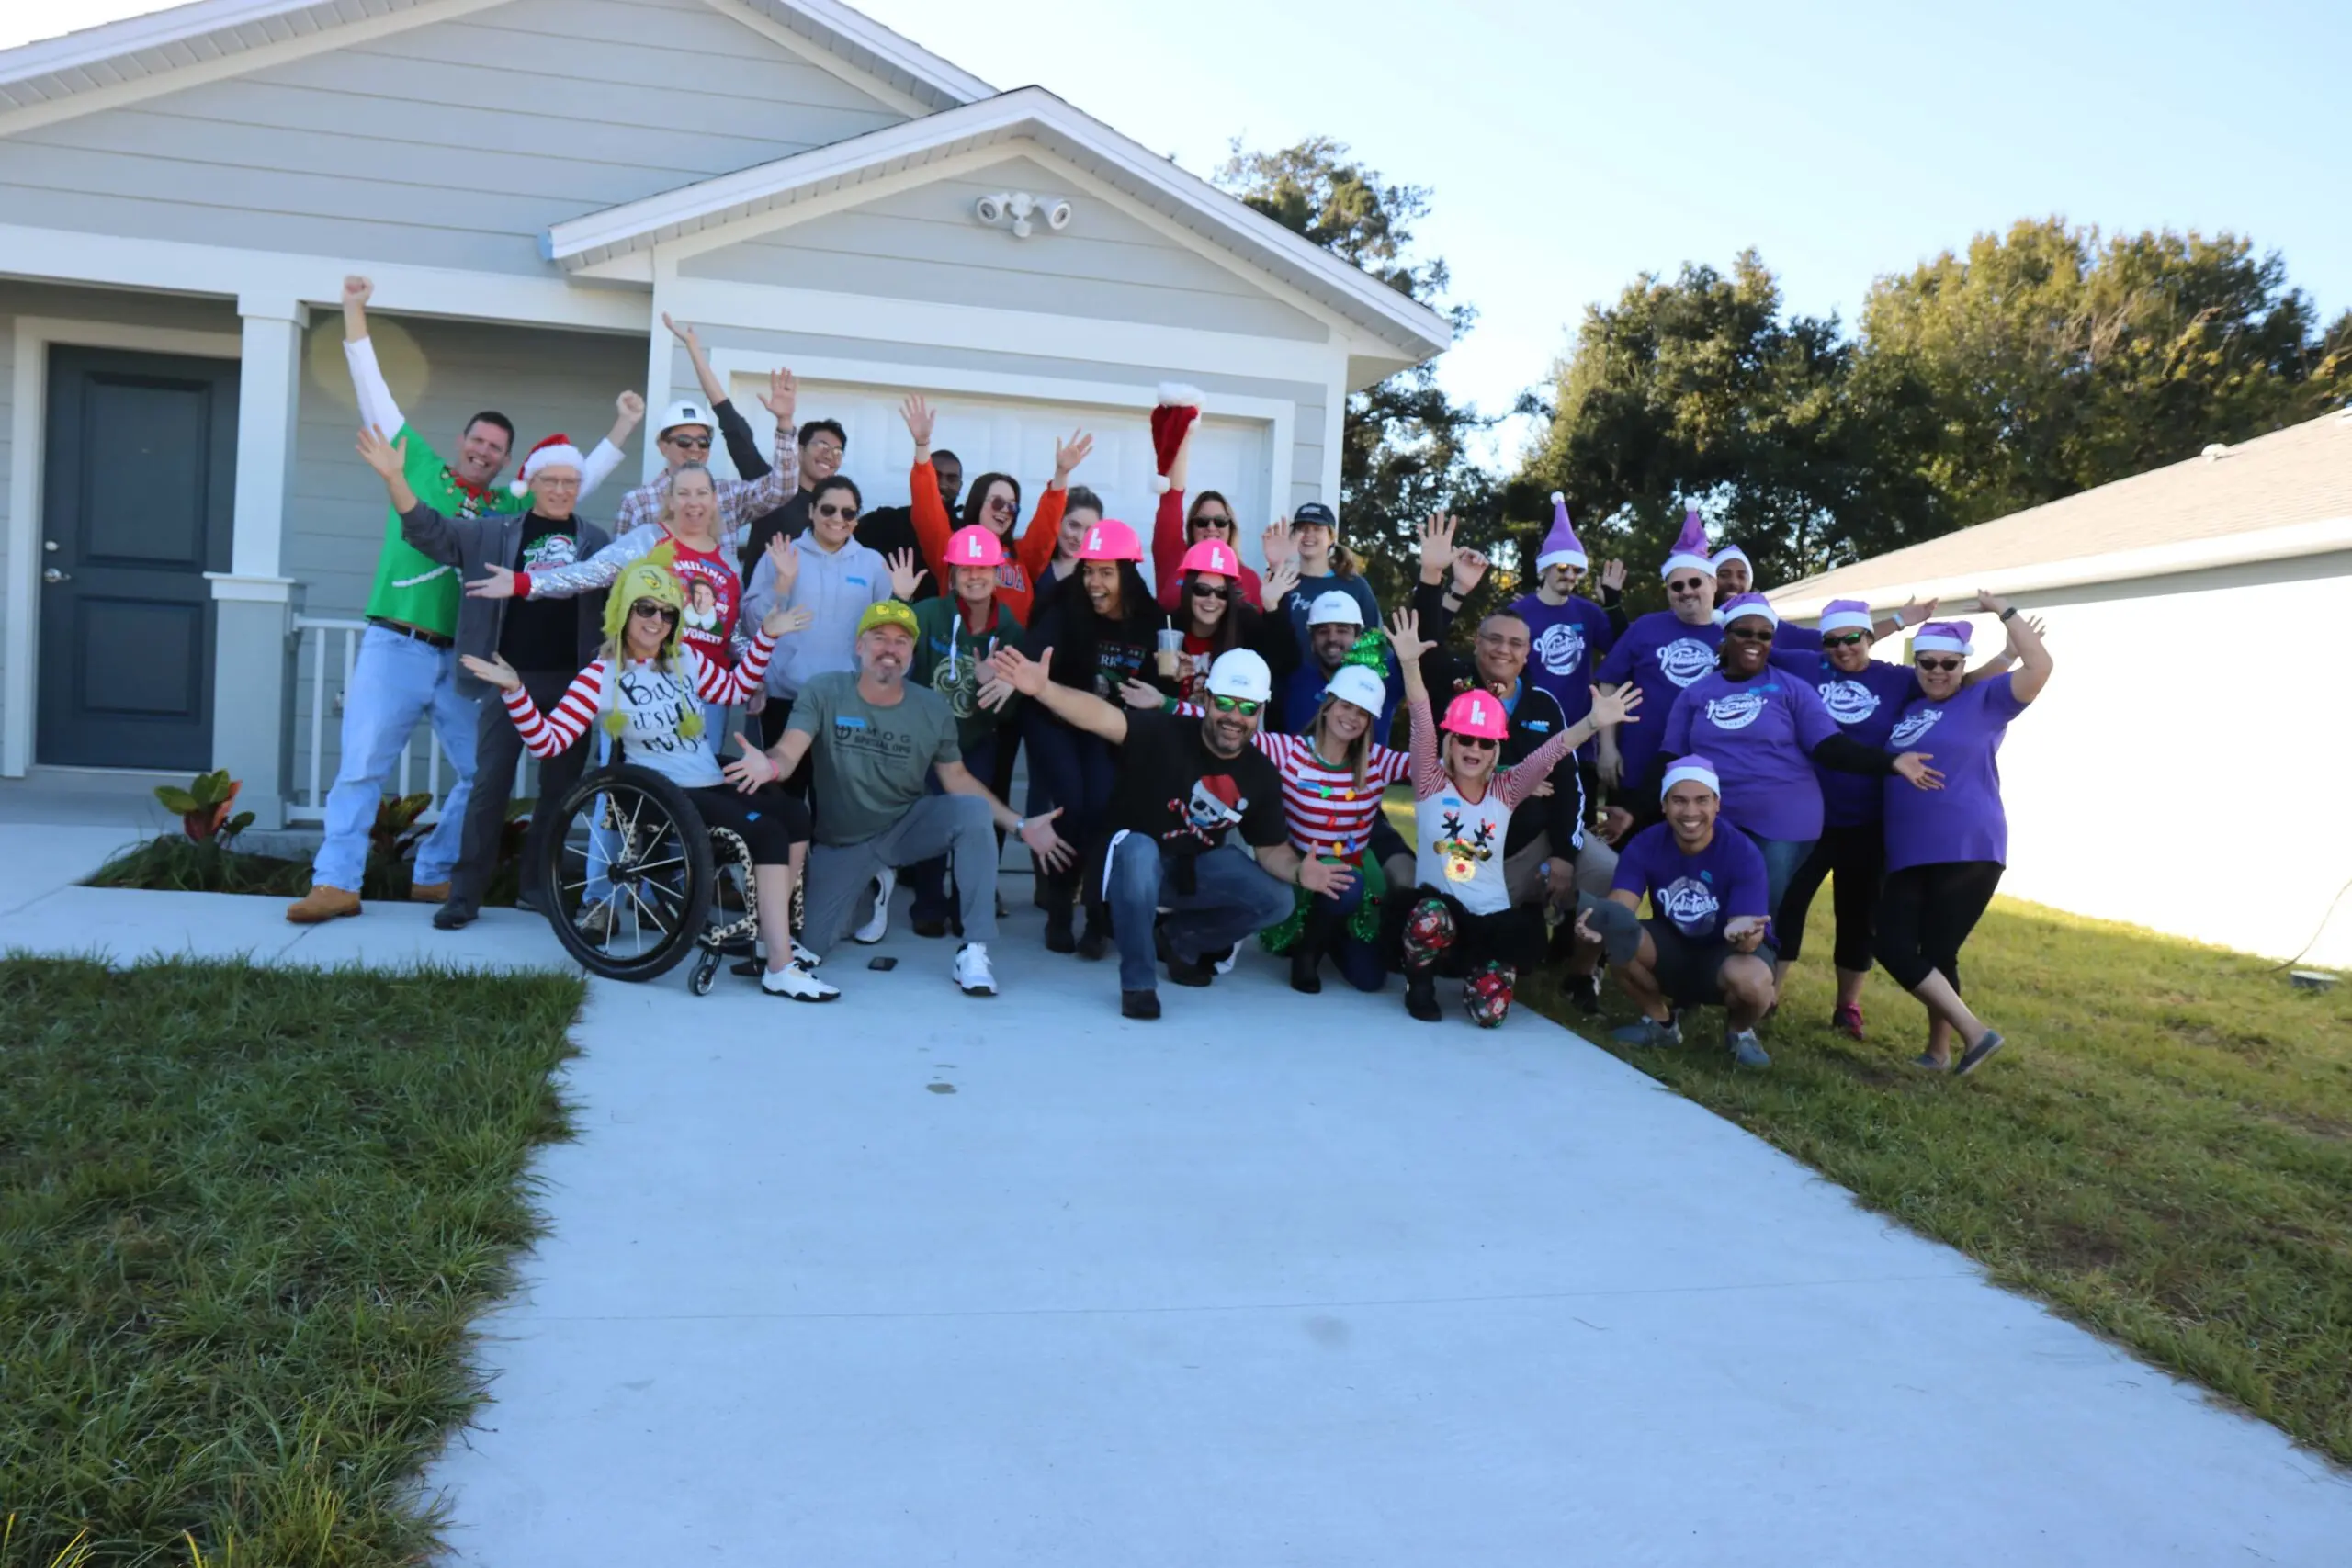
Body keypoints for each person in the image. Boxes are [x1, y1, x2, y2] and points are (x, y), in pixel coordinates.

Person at [288, 275, 634, 924]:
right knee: (361, 765)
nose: (484, 451)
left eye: (496, 449)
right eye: (478, 441)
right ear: (461, 442)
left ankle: (435, 874)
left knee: (481, 774)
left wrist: (621, 428)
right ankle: (335, 883)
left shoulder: (506, 511)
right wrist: (354, 312)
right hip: (396, 642)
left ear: (508, 464)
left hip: (467, 663)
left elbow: (569, 481)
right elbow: (374, 391)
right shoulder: (417, 464)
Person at [466, 552, 833, 999]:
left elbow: (736, 689)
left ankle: (771, 936)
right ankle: (779, 964)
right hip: (663, 793)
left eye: (667, 612)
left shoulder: (687, 659)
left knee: (794, 815)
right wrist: (515, 691)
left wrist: (767, 638)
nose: (657, 620)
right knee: (768, 834)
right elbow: (548, 742)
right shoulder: (601, 676)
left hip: (708, 776)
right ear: (624, 610)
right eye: (646, 608)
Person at [721, 601, 1072, 997]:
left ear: (911, 654)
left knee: (972, 812)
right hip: (844, 842)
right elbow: (789, 751)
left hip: (906, 825)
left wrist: (1020, 826)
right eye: (879, 638)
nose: (890, 648)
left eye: (901, 641)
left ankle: (974, 949)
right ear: (859, 646)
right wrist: (769, 766)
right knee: (812, 946)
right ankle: (872, 886)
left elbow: (957, 778)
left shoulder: (933, 707)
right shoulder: (824, 690)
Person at [992, 644, 1343, 1021]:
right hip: (1126, 870)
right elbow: (1100, 717)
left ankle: (1180, 940)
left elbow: (1271, 849)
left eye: (1248, 708)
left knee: (1279, 900)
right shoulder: (1163, 732)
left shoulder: (1260, 773)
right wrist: (1044, 689)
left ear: (1260, 712)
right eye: (1225, 703)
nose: (1234, 717)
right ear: (1207, 699)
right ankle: (1139, 983)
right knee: (1140, 850)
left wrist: (1299, 871)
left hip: (1187, 874)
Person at [366, 424, 616, 930]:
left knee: (560, 792)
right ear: (531, 483)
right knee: (488, 787)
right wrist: (396, 480)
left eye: (571, 481)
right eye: (551, 480)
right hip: (507, 679)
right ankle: (464, 895)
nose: (561, 490)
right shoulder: (495, 532)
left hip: (572, 684)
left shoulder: (595, 540)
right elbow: (431, 532)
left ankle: (537, 889)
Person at [1385, 609, 1635, 1028]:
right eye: (1465, 739)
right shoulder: (1429, 781)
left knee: (1490, 1017)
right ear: (1450, 741)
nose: (1473, 749)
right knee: (1428, 915)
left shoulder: (1506, 789)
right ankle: (1420, 980)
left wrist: (1594, 722)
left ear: (1497, 750)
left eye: (1485, 743)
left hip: (1490, 918)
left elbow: (1553, 751)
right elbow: (1421, 716)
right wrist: (1411, 664)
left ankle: (1490, 973)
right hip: (1441, 912)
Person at [1658, 592, 1940, 936]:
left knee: (1759, 911)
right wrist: (1635, 808)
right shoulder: (1701, 691)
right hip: (1719, 817)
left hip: (1791, 820)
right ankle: (1710, 966)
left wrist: (1892, 761)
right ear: (1726, 636)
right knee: (1710, 902)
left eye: (1764, 636)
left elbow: (1829, 746)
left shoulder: (1795, 686)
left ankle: (1751, 969)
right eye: (1744, 633)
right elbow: (1671, 758)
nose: (1755, 641)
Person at [1875, 599, 2053, 1075]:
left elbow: (2040, 666)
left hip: (1967, 846)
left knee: (1924, 949)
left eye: (1948, 664)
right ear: (1916, 664)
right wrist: (2002, 655)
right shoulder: (1911, 705)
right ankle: (1941, 1052)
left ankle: (1969, 1036)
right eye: (1927, 663)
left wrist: (2005, 612)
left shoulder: (1987, 701)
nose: (1937, 671)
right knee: (1899, 944)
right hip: (1908, 850)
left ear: (1961, 666)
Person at [1021, 519, 1167, 955]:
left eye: (1105, 572)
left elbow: (1161, 685)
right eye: (1088, 571)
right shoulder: (1065, 605)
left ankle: (1097, 916)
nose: (1093, 582)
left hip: (1104, 728)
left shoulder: (1151, 621)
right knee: (1071, 803)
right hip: (1052, 719)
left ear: (1127, 574)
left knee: (1103, 808)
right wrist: (1003, 672)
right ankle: (1059, 911)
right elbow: (1031, 657)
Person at [1600, 756, 1778, 1066]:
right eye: (1679, 800)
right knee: (1617, 936)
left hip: (1725, 953)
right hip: (1671, 947)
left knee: (1752, 982)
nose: (1691, 812)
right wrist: (1602, 921)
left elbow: (1750, 940)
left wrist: (1743, 934)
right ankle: (1660, 1024)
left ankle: (1740, 1032)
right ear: (1664, 805)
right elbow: (1621, 906)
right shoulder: (1645, 843)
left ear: (1717, 804)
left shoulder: (1742, 852)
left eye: (1702, 800)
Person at [1250, 664, 1412, 995]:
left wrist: (1507, 772)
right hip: (1301, 873)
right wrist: (1166, 704)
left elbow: (1439, 767)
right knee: (1345, 885)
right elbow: (1232, 726)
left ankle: (1331, 933)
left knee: (1371, 980)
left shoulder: (1377, 761)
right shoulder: (1289, 751)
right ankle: (1307, 953)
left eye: (1362, 713)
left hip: (1350, 877)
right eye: (1346, 705)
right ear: (1328, 705)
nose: (1352, 717)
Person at [740, 476, 923, 747]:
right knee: (780, 773)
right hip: (784, 696)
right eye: (828, 509)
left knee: (834, 777)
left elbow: (887, 633)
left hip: (848, 699)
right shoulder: (782, 555)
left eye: (848, 512)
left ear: (856, 519)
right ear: (811, 511)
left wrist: (901, 598)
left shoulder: (873, 564)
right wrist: (782, 585)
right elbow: (752, 624)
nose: (838, 518)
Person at [906, 525, 1026, 938]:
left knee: (975, 822)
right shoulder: (928, 614)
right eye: (965, 568)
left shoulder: (1011, 632)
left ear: (997, 573)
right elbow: (890, 644)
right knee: (931, 817)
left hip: (977, 743)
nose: (975, 576)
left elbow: (1011, 713)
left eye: (983, 568)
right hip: (927, 741)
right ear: (953, 574)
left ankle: (965, 907)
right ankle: (927, 904)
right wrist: (899, 600)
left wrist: (993, 687)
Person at [899, 395, 1088, 624]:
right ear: (979, 503)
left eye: (1012, 506)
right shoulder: (952, 548)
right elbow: (927, 512)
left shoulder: (1021, 556)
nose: (1005, 510)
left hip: (1011, 647)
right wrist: (922, 447)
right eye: (998, 502)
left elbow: (1046, 528)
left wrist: (1061, 475)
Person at [1595, 510, 1722, 815]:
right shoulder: (1646, 627)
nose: (1686, 591)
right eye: (1677, 586)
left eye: (1695, 582)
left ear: (1713, 583)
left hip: (1703, 774)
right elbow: (1608, 683)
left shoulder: (1733, 635)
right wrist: (1607, 748)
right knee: (1628, 840)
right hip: (1637, 767)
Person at [1152, 537, 1300, 706]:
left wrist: (1273, 608)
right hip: (1178, 721)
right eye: (1202, 590)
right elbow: (1154, 698)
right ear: (1188, 591)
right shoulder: (1169, 630)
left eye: (1221, 592)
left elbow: (1286, 663)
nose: (1211, 599)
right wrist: (1170, 682)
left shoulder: (1245, 624)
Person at [1148, 401, 1267, 609]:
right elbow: (1172, 500)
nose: (1211, 528)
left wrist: (1276, 565)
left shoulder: (1249, 579)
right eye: (1202, 522)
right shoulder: (1175, 561)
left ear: (1231, 528)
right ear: (1191, 528)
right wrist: (1183, 432)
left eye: (1220, 522)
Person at [736, 413, 847, 573]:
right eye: (822, 446)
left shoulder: (838, 508)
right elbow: (741, 445)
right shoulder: (773, 489)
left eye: (838, 452)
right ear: (799, 450)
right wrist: (784, 419)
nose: (830, 456)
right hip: (767, 588)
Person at [856, 445, 961, 604]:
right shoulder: (885, 521)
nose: (942, 484)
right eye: (935, 475)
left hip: (941, 618)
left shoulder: (965, 533)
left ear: (960, 486)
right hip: (890, 613)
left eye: (951, 479)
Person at [1278, 502, 1380, 654]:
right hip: (1289, 669)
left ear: (1331, 538)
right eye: (1302, 528)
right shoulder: (1282, 582)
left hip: (1342, 668)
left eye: (1317, 529)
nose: (1308, 534)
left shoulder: (1354, 585)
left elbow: (1373, 637)